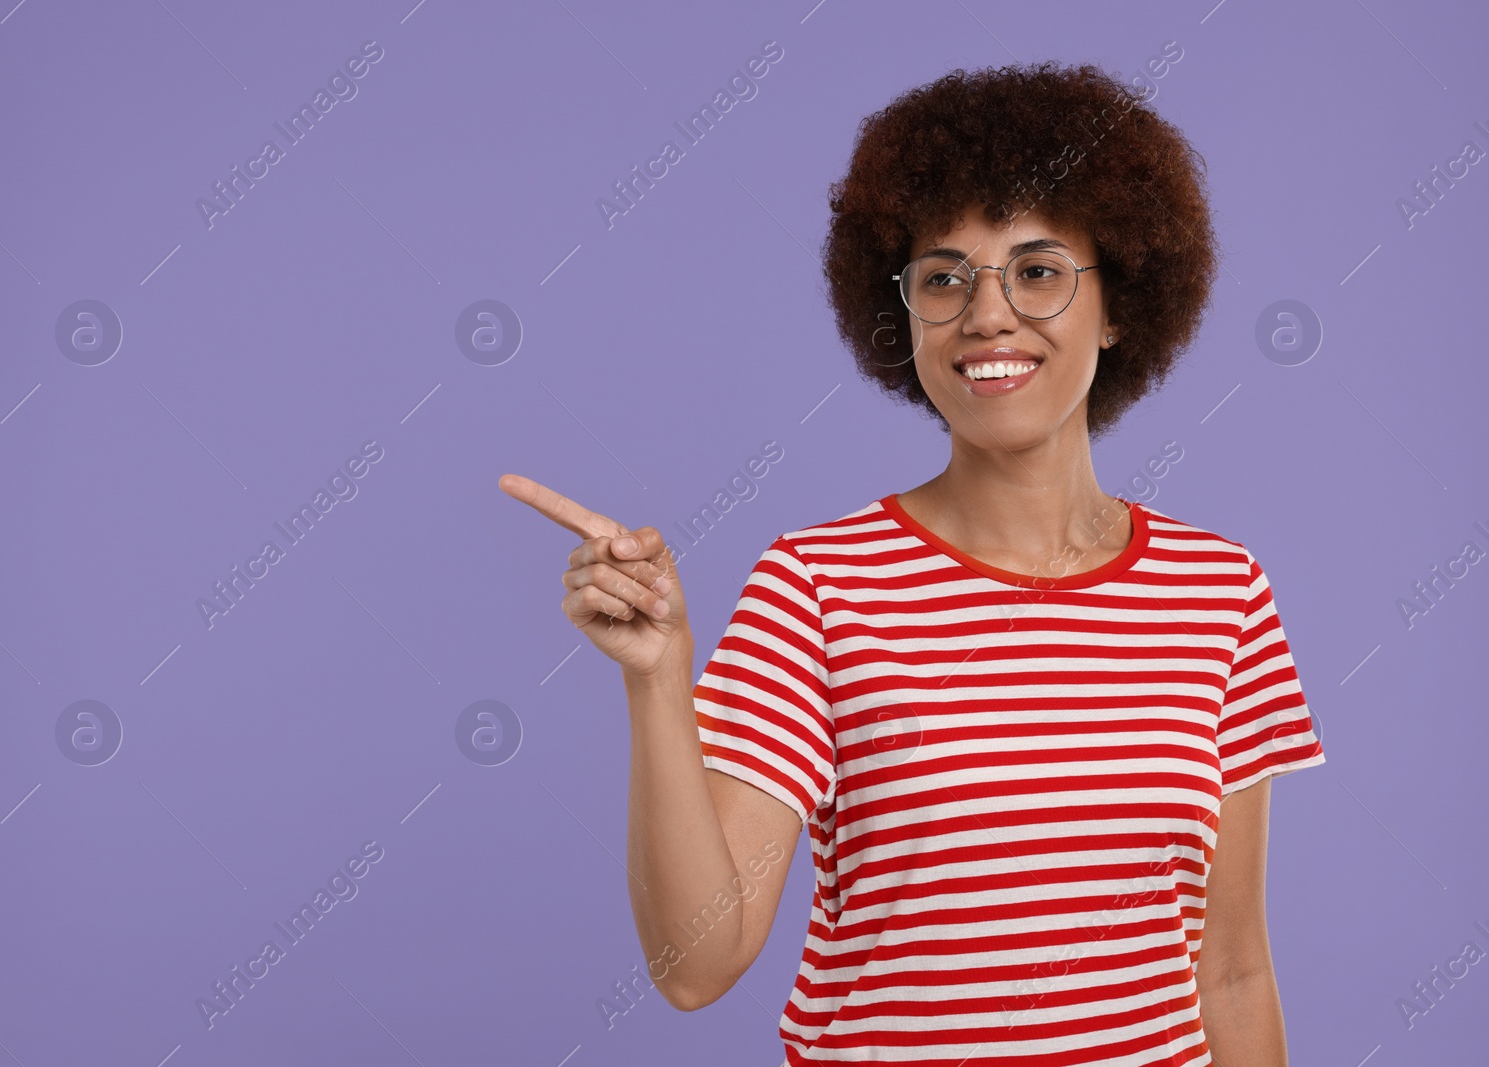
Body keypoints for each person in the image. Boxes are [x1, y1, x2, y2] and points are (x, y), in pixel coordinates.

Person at [500, 60, 1325, 1066]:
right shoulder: (818, 586)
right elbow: (696, 960)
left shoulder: (1218, 593)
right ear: (904, 315)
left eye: (1036, 269)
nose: (986, 314)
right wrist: (658, 678)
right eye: (944, 277)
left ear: (1118, 306)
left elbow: (1232, 968)